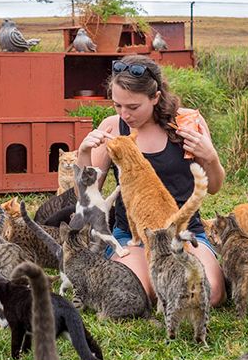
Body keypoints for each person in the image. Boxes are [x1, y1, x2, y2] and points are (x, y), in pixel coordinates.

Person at [77, 55, 226, 306]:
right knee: (138, 293)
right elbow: (85, 197)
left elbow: (214, 187)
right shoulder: (113, 128)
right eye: (117, 105)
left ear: (155, 97)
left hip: (184, 232)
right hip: (133, 236)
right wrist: (83, 154)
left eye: (133, 107)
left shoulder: (187, 124)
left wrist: (210, 157)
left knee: (209, 293)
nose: (124, 114)